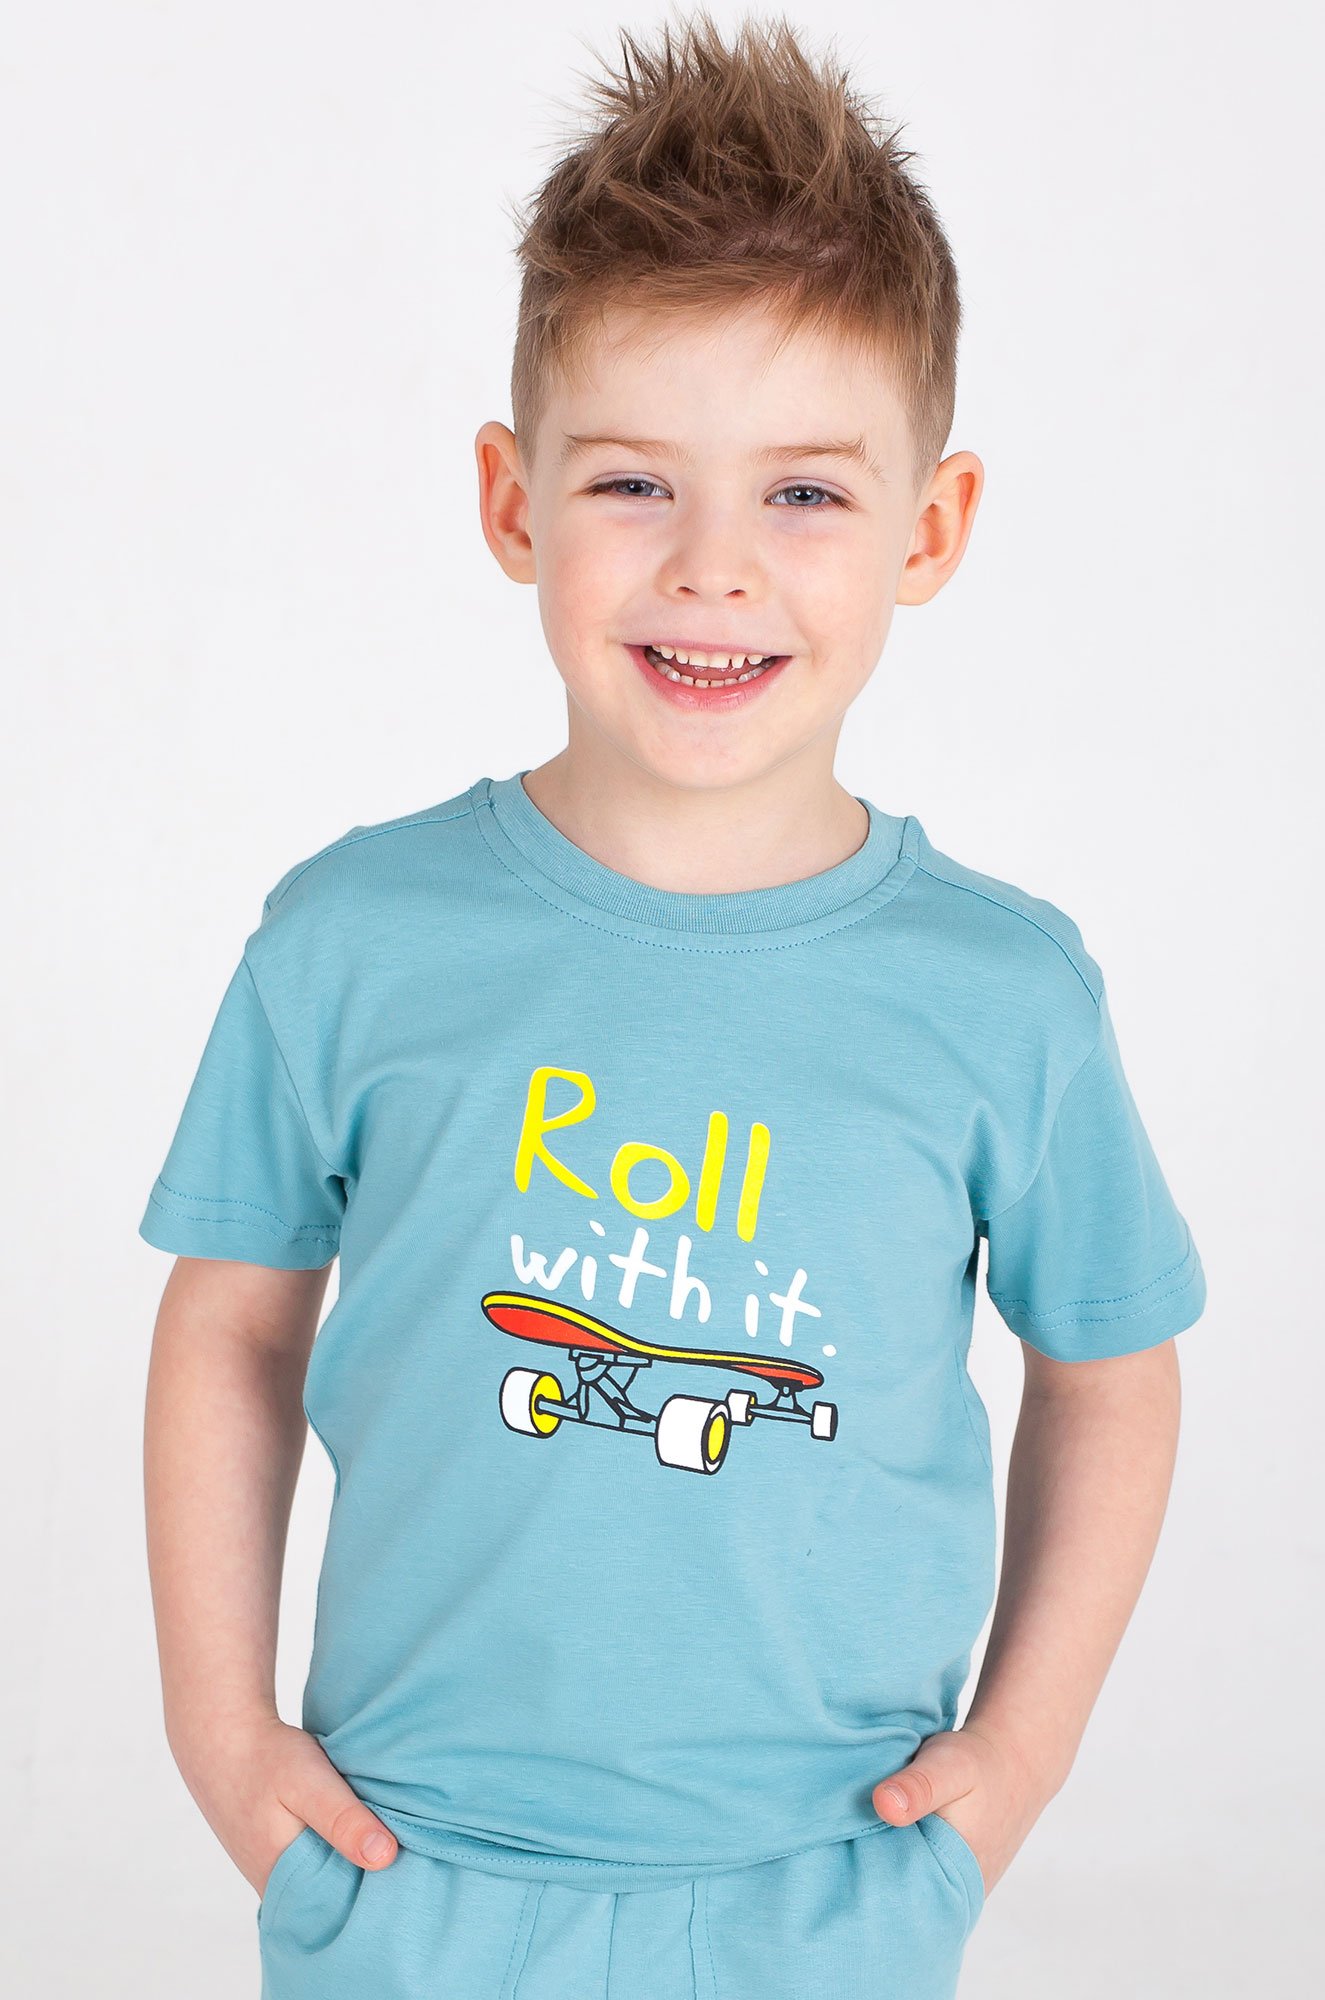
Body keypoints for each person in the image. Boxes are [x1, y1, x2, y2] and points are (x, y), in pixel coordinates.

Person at [139, 14, 1206, 1997]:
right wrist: (219, 1731)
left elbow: (1112, 1371)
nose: (714, 569)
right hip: (409, 1869)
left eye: (804, 494)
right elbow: (233, 1320)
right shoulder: (351, 939)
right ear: (513, 501)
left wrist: (1020, 1757)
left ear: (929, 529)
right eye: (636, 479)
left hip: (828, 1885)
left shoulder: (1005, 993)